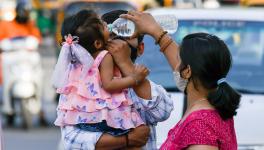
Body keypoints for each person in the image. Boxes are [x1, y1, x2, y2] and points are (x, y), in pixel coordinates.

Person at [121, 11, 241, 150]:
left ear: (187, 71)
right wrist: (155, 31)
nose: (175, 64)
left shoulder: (200, 125)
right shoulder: (215, 107)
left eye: (179, 59)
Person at [57, 10, 174, 150]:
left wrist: (126, 64)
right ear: (99, 43)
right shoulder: (80, 87)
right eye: (111, 38)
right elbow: (71, 139)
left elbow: (162, 111)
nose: (118, 45)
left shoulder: (138, 81)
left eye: (124, 38)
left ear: (140, 48)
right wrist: (127, 140)